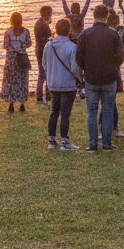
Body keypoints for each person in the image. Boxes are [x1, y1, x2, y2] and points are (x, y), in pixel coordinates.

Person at [76, 4, 124, 151]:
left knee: (91, 111)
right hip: (109, 77)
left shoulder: (85, 34)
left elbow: (78, 57)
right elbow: (121, 57)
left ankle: (92, 144)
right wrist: (113, 65)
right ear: (107, 17)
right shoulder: (114, 34)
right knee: (108, 109)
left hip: (91, 77)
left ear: (94, 16)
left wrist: (87, 67)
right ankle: (107, 144)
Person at [43, 18, 81, 150]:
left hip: (53, 83)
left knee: (54, 111)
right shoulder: (72, 47)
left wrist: (50, 75)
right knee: (65, 113)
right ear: (69, 30)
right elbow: (75, 68)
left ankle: (51, 140)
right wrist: (80, 80)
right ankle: (64, 141)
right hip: (67, 84)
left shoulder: (49, 45)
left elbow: (44, 64)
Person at [1, 11, 32, 114]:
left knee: (11, 82)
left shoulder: (8, 32)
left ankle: (11, 104)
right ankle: (22, 104)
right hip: (22, 57)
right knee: (22, 81)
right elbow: (29, 43)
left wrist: (13, 49)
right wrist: (22, 47)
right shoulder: (26, 31)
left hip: (11, 59)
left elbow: (5, 45)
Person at [34, 5, 54, 104]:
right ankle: (44, 97)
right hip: (43, 52)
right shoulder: (41, 25)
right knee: (44, 74)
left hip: (40, 51)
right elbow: (45, 38)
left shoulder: (39, 23)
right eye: (50, 14)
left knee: (42, 74)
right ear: (46, 15)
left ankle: (42, 97)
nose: (51, 16)